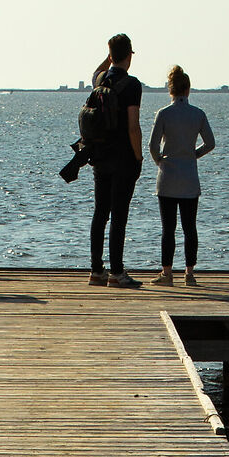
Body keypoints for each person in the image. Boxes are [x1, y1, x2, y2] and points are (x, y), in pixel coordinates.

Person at [148, 67, 215, 287]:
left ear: (171, 89)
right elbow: (210, 143)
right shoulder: (198, 114)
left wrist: (160, 161)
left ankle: (167, 273)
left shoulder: (164, 114)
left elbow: (152, 145)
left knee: (168, 229)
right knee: (190, 228)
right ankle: (189, 274)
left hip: (167, 176)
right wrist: (194, 154)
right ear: (188, 89)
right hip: (189, 176)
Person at [86, 33, 144, 288]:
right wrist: (139, 155)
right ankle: (117, 273)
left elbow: (96, 71)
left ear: (110, 55)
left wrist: (108, 58)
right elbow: (133, 126)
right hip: (123, 158)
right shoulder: (132, 85)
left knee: (100, 213)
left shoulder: (101, 80)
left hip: (100, 157)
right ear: (130, 55)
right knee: (119, 215)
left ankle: (96, 270)